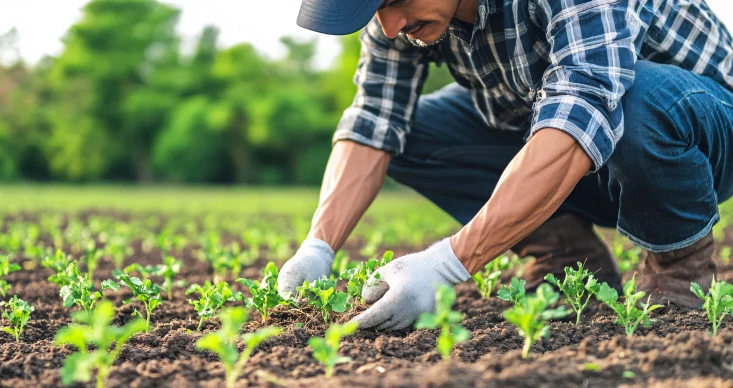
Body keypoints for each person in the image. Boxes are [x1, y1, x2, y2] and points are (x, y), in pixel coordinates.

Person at [277, 0, 733, 331]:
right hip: (575, 142)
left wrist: (446, 265)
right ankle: (565, 257)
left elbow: (585, 103)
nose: (390, 25)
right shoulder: (399, 20)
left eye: (395, 1)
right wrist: (318, 247)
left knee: (634, 99)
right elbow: (374, 119)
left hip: (701, 135)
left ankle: (679, 273)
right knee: (407, 136)